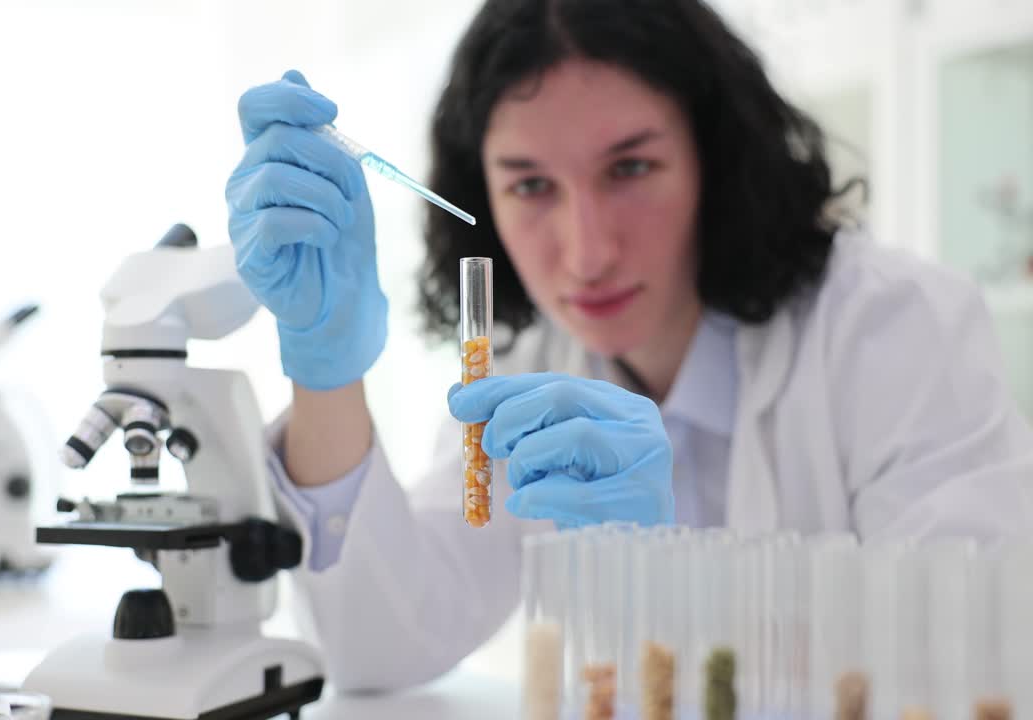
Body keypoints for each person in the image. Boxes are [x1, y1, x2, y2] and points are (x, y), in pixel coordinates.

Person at [224, 0, 1033, 693]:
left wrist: (676, 575)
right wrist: (325, 369)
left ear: (715, 158)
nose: (587, 254)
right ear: (481, 194)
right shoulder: (528, 360)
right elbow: (379, 647)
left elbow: (976, 659)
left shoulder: (892, 329)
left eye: (632, 167)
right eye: (530, 185)